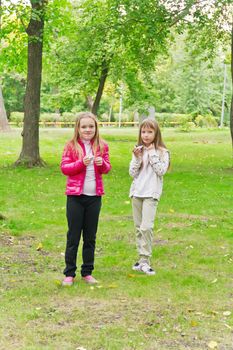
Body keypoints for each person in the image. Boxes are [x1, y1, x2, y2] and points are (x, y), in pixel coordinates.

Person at [61, 112, 111, 286]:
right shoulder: (71, 146)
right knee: (73, 236)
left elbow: (107, 168)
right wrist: (82, 162)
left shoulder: (102, 146)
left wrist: (101, 164)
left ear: (96, 128)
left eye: (91, 126)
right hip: (75, 197)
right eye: (84, 127)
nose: (88, 129)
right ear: (78, 128)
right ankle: (69, 273)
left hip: (94, 198)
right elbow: (65, 168)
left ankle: (87, 272)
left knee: (90, 236)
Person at [129, 118, 170, 275]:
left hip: (151, 194)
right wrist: (137, 158)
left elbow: (161, 171)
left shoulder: (163, 152)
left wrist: (152, 153)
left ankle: (146, 260)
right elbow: (132, 173)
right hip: (137, 193)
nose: (146, 135)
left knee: (146, 227)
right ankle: (141, 259)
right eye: (143, 131)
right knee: (138, 228)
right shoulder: (138, 150)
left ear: (156, 133)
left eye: (150, 132)